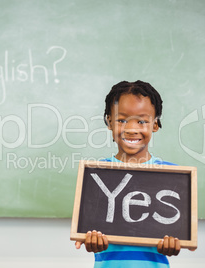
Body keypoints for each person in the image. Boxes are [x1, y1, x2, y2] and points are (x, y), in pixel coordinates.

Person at [75, 80, 183, 267]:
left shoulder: (172, 176)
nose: (132, 129)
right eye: (122, 120)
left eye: (142, 121)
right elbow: (89, 230)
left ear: (155, 124)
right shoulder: (97, 176)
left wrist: (175, 243)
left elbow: (177, 235)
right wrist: (91, 240)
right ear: (109, 122)